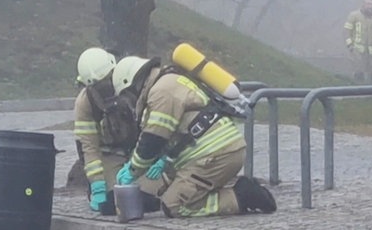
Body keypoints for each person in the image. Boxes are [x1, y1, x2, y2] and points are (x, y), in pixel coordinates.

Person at [110, 55, 277, 218]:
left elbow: (153, 138)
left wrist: (132, 170)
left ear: (133, 85)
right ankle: (208, 191)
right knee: (162, 189)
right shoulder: (169, 81)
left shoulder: (161, 92)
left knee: (174, 205)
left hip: (214, 154)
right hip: (216, 150)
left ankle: (242, 196)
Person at [72, 47, 162, 215]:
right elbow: (88, 147)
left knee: (152, 191)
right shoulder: (85, 103)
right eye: (99, 85)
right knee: (114, 197)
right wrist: (97, 184)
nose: (105, 88)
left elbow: (157, 128)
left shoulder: (131, 85)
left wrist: (159, 158)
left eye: (107, 80)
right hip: (111, 155)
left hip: (142, 151)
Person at [344, 0, 372, 84]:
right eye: (368, 4)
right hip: (357, 49)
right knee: (358, 70)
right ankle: (358, 91)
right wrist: (350, 45)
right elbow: (347, 31)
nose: (370, 6)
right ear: (363, 4)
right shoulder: (354, 16)